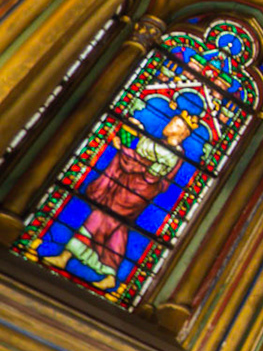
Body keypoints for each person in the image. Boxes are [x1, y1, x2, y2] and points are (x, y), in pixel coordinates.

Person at [43, 91, 208, 289]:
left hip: (136, 193)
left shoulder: (175, 154)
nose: (169, 124)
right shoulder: (160, 144)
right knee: (117, 229)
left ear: (181, 132)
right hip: (126, 185)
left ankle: (66, 256)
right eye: (172, 120)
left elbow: (152, 176)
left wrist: (127, 155)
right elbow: (139, 161)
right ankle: (110, 275)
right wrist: (125, 148)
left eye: (175, 123)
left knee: (101, 218)